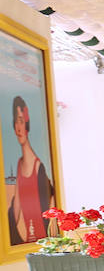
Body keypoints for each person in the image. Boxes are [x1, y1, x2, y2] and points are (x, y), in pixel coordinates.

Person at [7, 96, 55, 245]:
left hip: (44, 239)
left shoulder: (38, 167)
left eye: (21, 121)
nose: (18, 127)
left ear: (27, 123)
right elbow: (16, 208)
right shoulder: (19, 164)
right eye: (16, 121)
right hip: (30, 240)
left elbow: (50, 206)